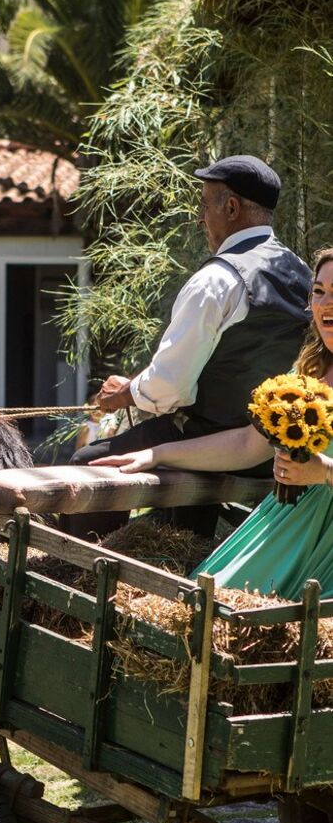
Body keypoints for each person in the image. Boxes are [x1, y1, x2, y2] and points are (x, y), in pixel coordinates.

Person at [69, 154, 312, 538]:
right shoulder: (302, 271)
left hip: (206, 442)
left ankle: (86, 573)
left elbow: (171, 386)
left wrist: (126, 393)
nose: (201, 219)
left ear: (230, 208)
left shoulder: (217, 279)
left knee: (87, 465)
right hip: (269, 449)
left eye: (204, 205)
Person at [92, 247, 333, 599]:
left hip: (325, 543)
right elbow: (247, 445)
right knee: (201, 601)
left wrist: (323, 471)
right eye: (319, 291)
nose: (325, 303)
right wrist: (156, 455)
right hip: (284, 522)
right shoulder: (306, 372)